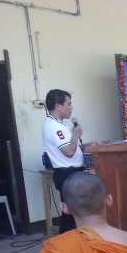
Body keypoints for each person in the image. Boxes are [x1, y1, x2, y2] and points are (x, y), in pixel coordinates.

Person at [42, 89, 98, 233]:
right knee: (71, 214)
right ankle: (66, 243)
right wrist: (75, 135)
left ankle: (74, 242)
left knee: (76, 212)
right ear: (58, 105)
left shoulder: (60, 124)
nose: (71, 107)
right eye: (69, 104)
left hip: (73, 172)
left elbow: (72, 148)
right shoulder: (53, 126)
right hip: (67, 174)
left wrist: (87, 145)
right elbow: (68, 152)